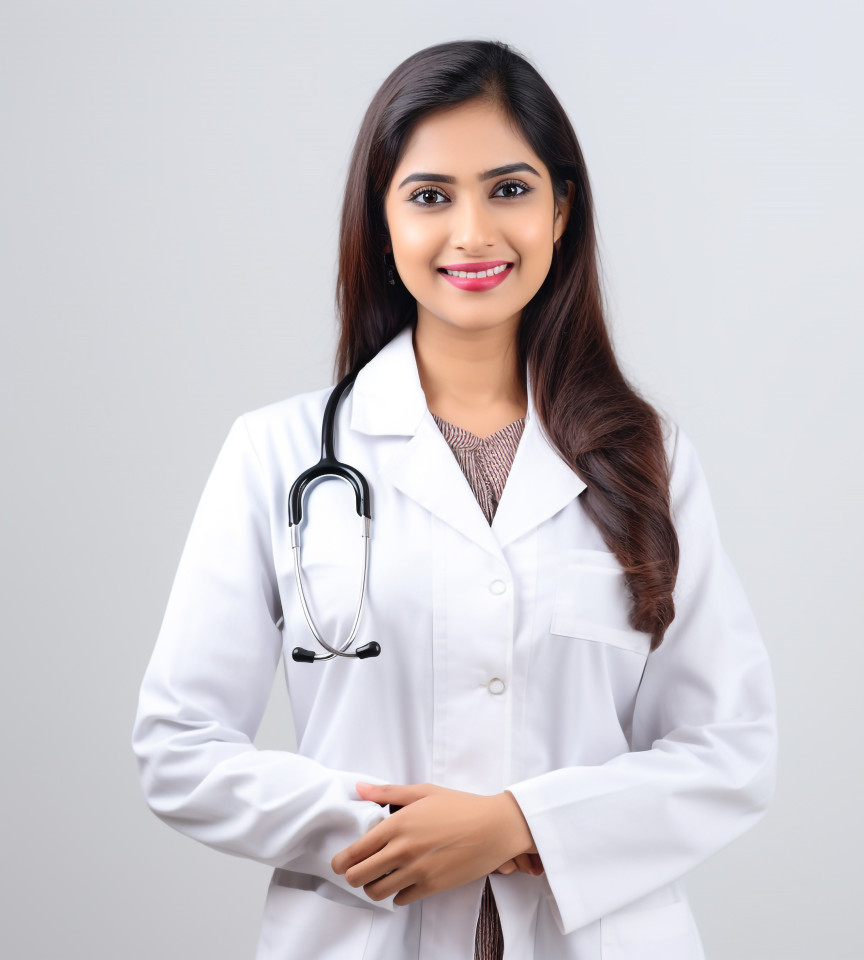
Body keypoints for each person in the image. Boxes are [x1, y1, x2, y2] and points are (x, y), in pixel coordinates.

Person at [133, 38, 777, 960]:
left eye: (509, 189)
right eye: (431, 196)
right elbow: (179, 746)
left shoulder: (649, 457)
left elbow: (729, 748)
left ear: (561, 209)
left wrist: (521, 823)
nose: (473, 232)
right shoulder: (276, 454)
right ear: (383, 224)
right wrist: (377, 833)